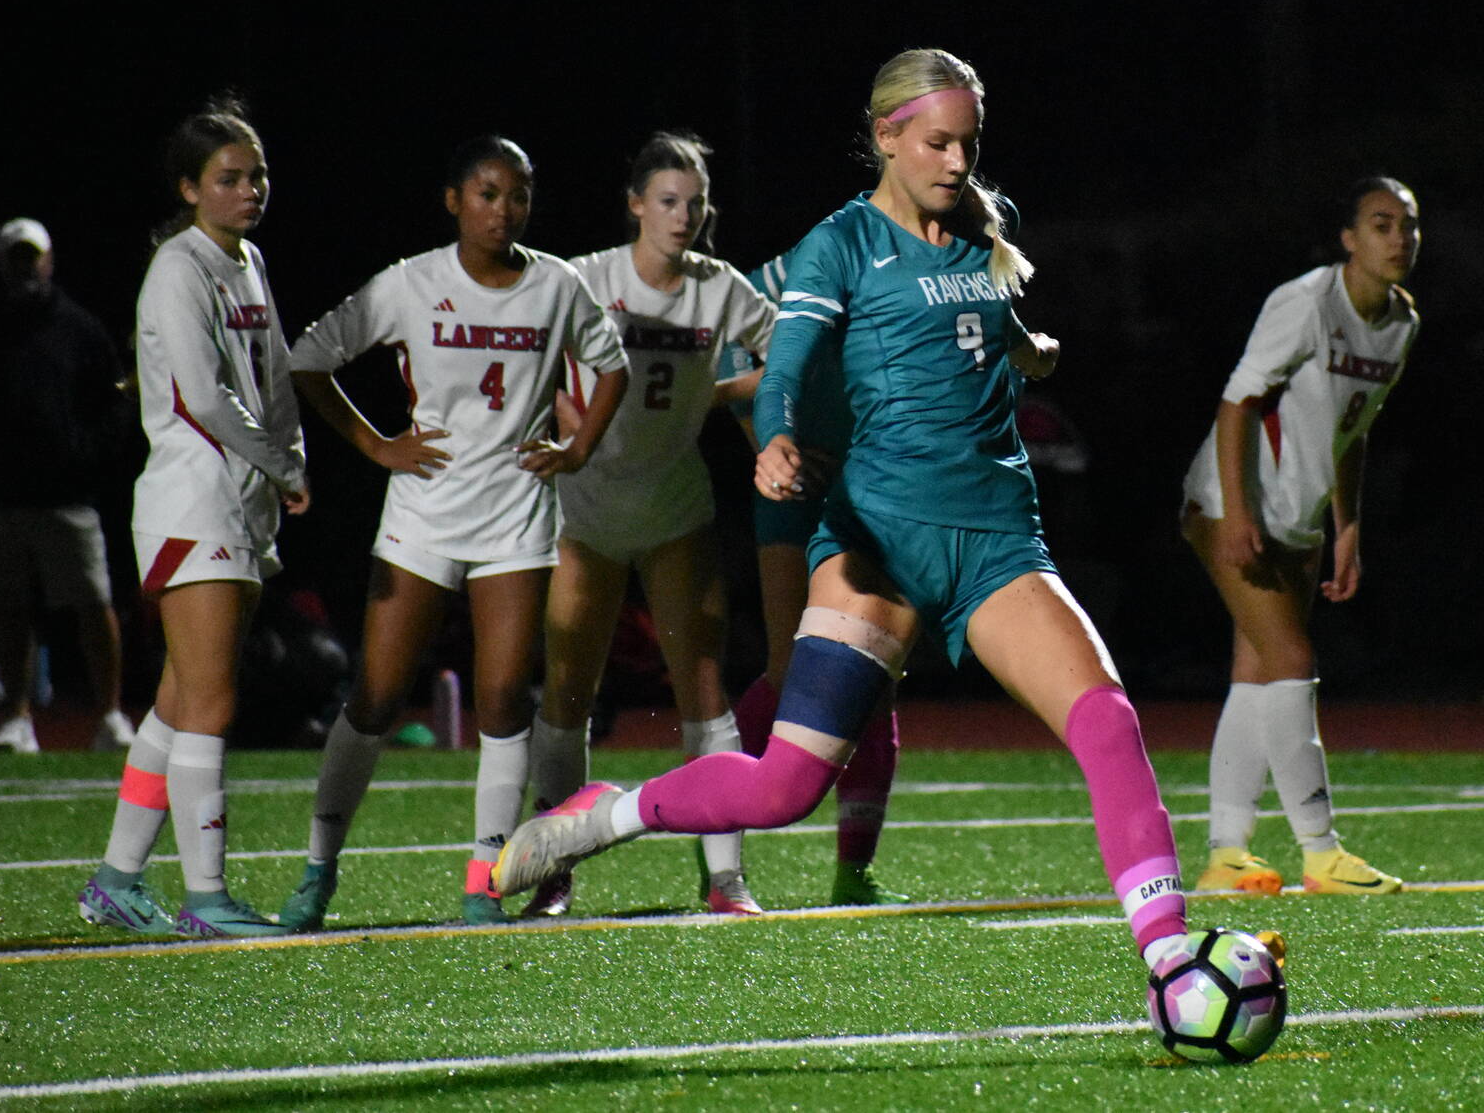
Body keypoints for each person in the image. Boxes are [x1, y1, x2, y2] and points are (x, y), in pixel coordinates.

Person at [493, 49, 1196, 977]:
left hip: (997, 543)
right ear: (886, 138)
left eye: (968, 146)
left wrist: (1029, 351)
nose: (955, 163)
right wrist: (777, 435)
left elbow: (975, 326)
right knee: (784, 787)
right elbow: (784, 364)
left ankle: (1174, 964)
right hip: (878, 545)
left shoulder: (987, 232)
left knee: (1106, 722)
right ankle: (606, 815)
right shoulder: (842, 244)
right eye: (937, 144)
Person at [276, 136, 628, 929]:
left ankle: (483, 879)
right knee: (373, 695)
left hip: (515, 519)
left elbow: (613, 368)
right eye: (486, 193)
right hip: (423, 518)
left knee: (504, 699)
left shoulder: (557, 285)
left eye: (517, 196)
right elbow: (309, 358)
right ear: (452, 200)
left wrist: (575, 449)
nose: (503, 210)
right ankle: (317, 870)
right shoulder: (412, 281)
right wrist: (376, 445)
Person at [525, 132, 776, 919]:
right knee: (568, 688)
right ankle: (552, 871)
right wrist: (570, 432)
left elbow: (792, 355)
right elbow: (532, 361)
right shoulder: (586, 278)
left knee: (703, 691)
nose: (683, 215)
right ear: (636, 203)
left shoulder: (720, 286)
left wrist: (724, 394)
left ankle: (726, 881)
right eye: (667, 200)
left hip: (676, 510)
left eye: (695, 201)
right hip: (587, 512)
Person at [76, 100, 308, 937]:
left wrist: (294, 456)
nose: (250, 190)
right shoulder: (179, 266)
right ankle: (205, 899)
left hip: (237, 504)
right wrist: (277, 460)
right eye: (230, 178)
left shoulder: (247, 260)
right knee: (211, 701)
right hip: (189, 499)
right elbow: (202, 396)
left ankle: (115, 879)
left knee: (178, 702)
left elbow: (273, 372)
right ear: (189, 187)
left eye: (258, 176)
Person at [1180, 176, 1421, 897]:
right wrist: (1241, 513)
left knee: (1257, 675)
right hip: (1231, 500)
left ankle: (1226, 853)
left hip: (1298, 513)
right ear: (1349, 238)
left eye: (1409, 225)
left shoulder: (1402, 321)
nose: (1398, 238)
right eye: (1381, 224)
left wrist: (1347, 525)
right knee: (1290, 657)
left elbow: (1354, 426)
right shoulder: (1307, 302)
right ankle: (1322, 851)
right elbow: (1237, 400)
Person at [725, 246, 908, 908]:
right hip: (795, 493)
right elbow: (729, 365)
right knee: (784, 668)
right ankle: (717, 838)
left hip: (866, 494)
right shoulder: (817, 254)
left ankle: (853, 873)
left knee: (876, 679)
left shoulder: (925, 262)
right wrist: (775, 453)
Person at [0, 217, 136, 755]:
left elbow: (114, 404)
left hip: (68, 496)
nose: (26, 267)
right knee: (9, 608)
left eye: (33, 257)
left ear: (48, 261)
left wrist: (86, 460)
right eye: (16, 258)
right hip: (5, 498)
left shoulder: (79, 328)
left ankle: (111, 716)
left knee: (93, 605)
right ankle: (18, 718)